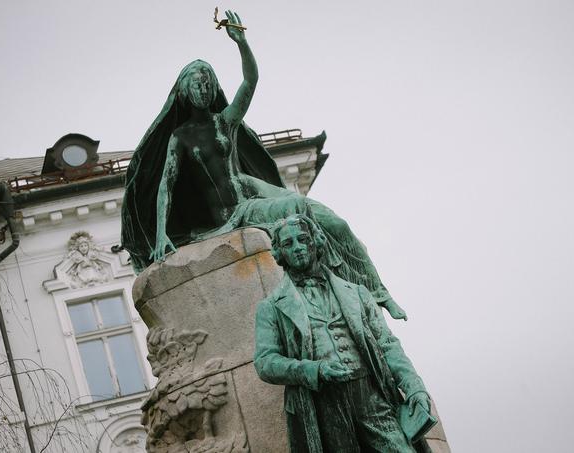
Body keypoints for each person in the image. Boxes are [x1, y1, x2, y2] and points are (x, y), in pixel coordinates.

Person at [120, 10, 406, 319]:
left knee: (331, 220)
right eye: (196, 85)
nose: (203, 90)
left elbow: (250, 81)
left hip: (250, 189)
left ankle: (379, 291)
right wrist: (162, 234)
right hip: (235, 211)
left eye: (207, 84)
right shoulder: (180, 137)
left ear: (214, 87)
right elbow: (166, 186)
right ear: (184, 92)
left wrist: (241, 43)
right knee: (305, 217)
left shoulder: (224, 122)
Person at [254, 215, 432, 453]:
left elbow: (388, 345)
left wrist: (414, 387)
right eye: (288, 244)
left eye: (303, 239)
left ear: (316, 243)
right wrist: (313, 370)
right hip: (322, 403)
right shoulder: (271, 307)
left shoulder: (357, 293)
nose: (297, 248)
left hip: (370, 395)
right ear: (280, 253)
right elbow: (265, 362)